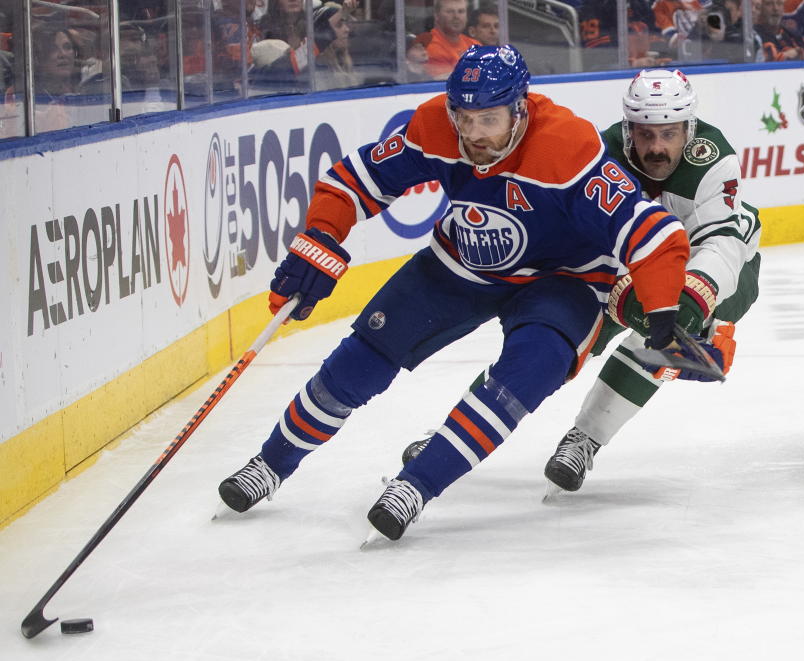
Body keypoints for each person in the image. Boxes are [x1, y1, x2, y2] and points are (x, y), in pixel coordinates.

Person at [217, 45, 692, 542]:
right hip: (463, 259)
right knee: (362, 358)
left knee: (529, 371)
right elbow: (354, 181)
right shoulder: (434, 128)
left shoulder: (567, 146)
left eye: (488, 119)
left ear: (519, 108)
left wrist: (660, 304)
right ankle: (269, 464)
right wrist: (320, 237)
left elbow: (650, 229)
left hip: (565, 277)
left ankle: (416, 487)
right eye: (463, 117)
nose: (473, 134)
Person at [540, 69, 762, 492]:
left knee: (664, 337)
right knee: (555, 336)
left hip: (722, 269)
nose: (658, 148)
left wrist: (693, 304)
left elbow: (721, 245)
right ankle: (465, 432)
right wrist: (622, 283)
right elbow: (583, 236)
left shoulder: (715, 158)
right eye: (646, 135)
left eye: (670, 134)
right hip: (626, 264)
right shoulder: (601, 156)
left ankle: (585, 440)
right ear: (629, 130)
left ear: (689, 129)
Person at [416, 0, 480, 79]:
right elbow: (447, 81)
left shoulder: (474, 44)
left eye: (461, 11)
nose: (456, 16)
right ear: (436, 15)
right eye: (450, 11)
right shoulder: (429, 45)